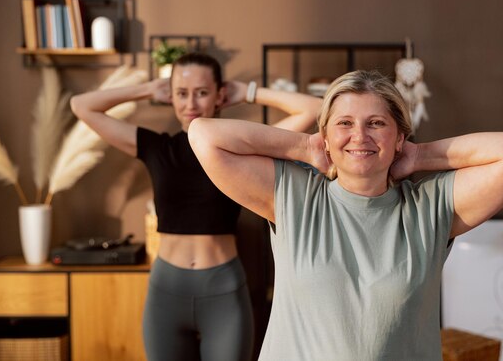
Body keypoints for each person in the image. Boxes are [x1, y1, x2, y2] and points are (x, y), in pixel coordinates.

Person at [188, 69, 503, 360]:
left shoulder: (430, 208)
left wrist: (419, 157)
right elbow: (203, 134)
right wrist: (306, 147)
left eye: (376, 124)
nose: (359, 136)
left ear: (399, 137)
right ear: (325, 135)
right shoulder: (295, 198)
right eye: (344, 123)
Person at [70, 52, 322, 361]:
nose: (191, 104)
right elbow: (81, 106)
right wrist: (149, 89)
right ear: (170, 97)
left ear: (220, 96)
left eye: (202, 93)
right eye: (181, 93)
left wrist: (249, 92)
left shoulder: (240, 151)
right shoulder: (156, 148)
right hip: (165, 293)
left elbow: (314, 108)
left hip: (224, 292)